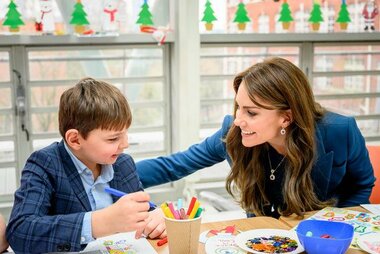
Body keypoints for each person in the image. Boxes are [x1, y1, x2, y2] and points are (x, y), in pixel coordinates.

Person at [136, 57, 375, 218]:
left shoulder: (340, 131)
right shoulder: (235, 131)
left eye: (251, 112)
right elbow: (175, 165)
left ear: (286, 118)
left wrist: (339, 223)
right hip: (263, 236)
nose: (239, 119)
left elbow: (362, 184)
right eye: (238, 107)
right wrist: (110, 175)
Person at [6, 78, 166, 253]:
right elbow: (20, 232)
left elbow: (141, 209)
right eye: (113, 138)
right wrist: (100, 222)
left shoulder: (122, 163)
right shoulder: (45, 164)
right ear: (75, 139)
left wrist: (155, 215)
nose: (125, 144)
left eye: (126, 134)